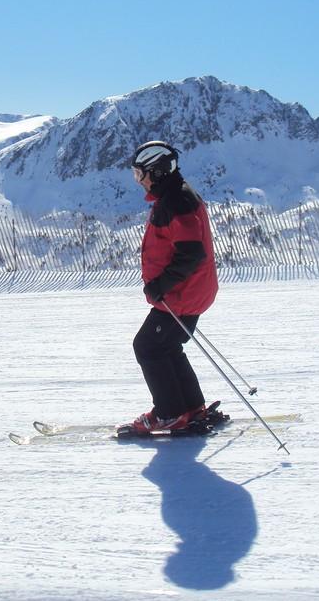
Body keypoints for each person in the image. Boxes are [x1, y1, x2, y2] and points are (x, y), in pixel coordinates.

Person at [126, 141, 219, 434]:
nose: (140, 181)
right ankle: (190, 408)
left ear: (158, 171)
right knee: (166, 346)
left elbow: (191, 253)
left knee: (147, 346)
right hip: (189, 291)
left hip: (180, 294)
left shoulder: (176, 201)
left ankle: (169, 413)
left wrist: (159, 286)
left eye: (141, 174)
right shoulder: (175, 196)